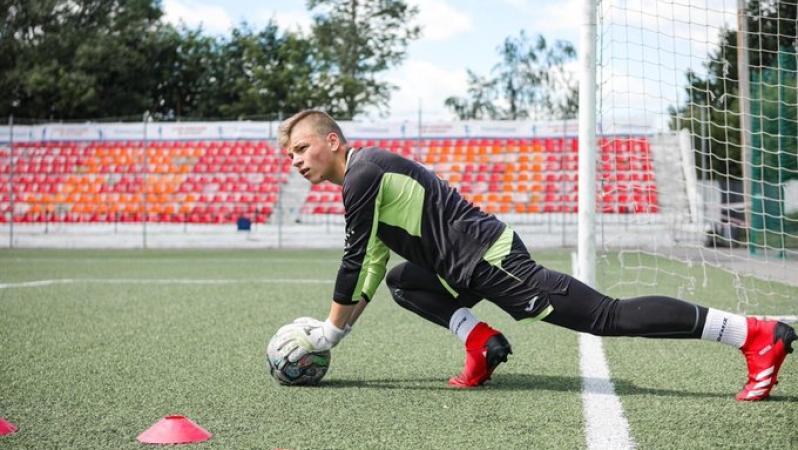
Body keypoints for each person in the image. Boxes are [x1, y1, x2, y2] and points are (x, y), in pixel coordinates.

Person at [272, 110, 795, 401]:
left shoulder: (363, 172)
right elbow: (372, 264)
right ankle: (481, 342)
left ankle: (753, 334)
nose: (295, 161)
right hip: (463, 265)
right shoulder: (363, 177)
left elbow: (353, 255)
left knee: (605, 317)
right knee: (407, 281)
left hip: (489, 260)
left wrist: (332, 332)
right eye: (290, 154)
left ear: (332, 141)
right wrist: (337, 328)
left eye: (300, 148)